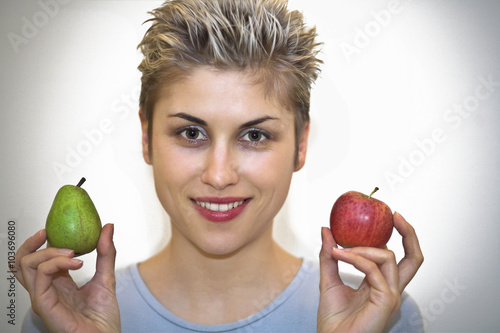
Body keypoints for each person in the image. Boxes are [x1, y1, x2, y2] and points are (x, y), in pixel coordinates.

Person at [13, 0, 424, 332]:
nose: (219, 174)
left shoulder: (382, 314)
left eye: (255, 135)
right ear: (146, 137)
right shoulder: (58, 316)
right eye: (191, 134)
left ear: (300, 145)